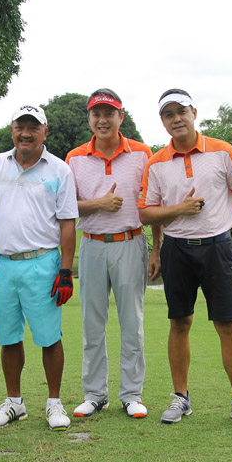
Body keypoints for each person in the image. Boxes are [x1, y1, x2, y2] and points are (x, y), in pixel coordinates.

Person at [137, 89, 232, 429]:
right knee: (179, 323)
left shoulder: (223, 151)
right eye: (168, 114)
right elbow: (146, 213)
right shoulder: (156, 162)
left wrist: (222, 226)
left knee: (227, 325)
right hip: (177, 249)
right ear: (162, 121)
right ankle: (181, 397)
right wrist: (179, 211)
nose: (176, 118)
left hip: (217, 248)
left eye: (181, 111)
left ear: (194, 112)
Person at [0, 104, 79, 431]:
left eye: (33, 127)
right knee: (8, 336)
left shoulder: (59, 170)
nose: (26, 133)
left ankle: (54, 402)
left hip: (43, 262)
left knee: (49, 337)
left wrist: (65, 271)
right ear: (12, 130)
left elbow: (67, 223)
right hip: (5, 265)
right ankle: (14, 403)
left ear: (45, 132)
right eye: (20, 126)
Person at [65, 89, 162, 419]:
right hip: (92, 244)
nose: (102, 120)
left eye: (109, 113)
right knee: (92, 324)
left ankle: (132, 394)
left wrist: (156, 249)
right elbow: (65, 207)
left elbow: (153, 203)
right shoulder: (75, 157)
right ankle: (95, 394)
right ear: (89, 118)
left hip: (131, 242)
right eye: (96, 114)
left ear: (121, 117)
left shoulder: (142, 153)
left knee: (132, 323)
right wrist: (98, 204)